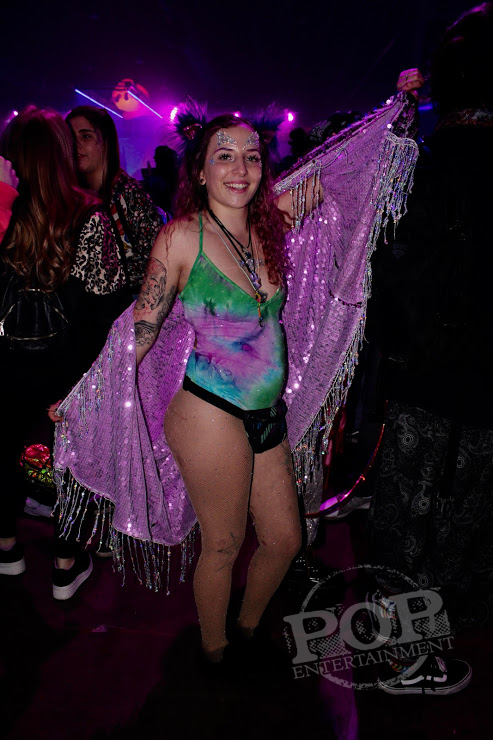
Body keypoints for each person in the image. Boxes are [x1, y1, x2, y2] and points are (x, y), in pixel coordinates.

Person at [53, 94, 418, 662]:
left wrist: (399, 110)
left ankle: (246, 631)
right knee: (222, 544)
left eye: (251, 155)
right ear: (200, 172)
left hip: (266, 413)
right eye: (224, 156)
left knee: (285, 539)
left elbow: (343, 165)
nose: (240, 167)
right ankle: (215, 653)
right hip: (209, 413)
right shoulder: (181, 238)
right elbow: (140, 330)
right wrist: (86, 393)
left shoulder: (272, 223)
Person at [367, 3, 493, 695]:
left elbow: (386, 263)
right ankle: (424, 643)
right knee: (462, 515)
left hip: (421, 372)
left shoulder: (417, 159)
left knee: (407, 514)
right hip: (479, 380)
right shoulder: (426, 156)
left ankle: (395, 651)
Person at [0, 107, 135, 598]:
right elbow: (109, 306)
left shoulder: (4, 210)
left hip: (7, 361)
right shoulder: (88, 213)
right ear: (62, 153)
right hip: (68, 364)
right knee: (70, 460)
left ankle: (7, 549)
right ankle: (63, 563)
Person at [66, 106, 167, 294]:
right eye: (70, 137)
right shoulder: (71, 196)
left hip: (130, 300)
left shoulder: (127, 191)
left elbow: (156, 258)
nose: (76, 144)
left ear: (105, 142)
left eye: (86, 136)